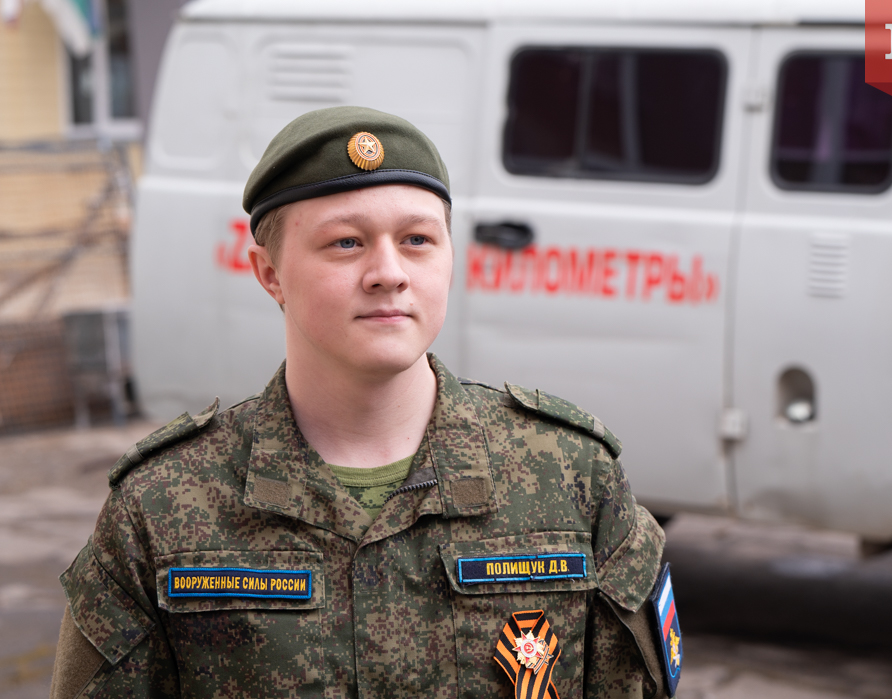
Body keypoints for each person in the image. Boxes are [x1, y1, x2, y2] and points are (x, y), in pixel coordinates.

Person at [50, 106, 679, 699]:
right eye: (346, 243)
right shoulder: (158, 508)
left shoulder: (572, 477)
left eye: (417, 240)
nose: (389, 272)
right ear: (269, 273)